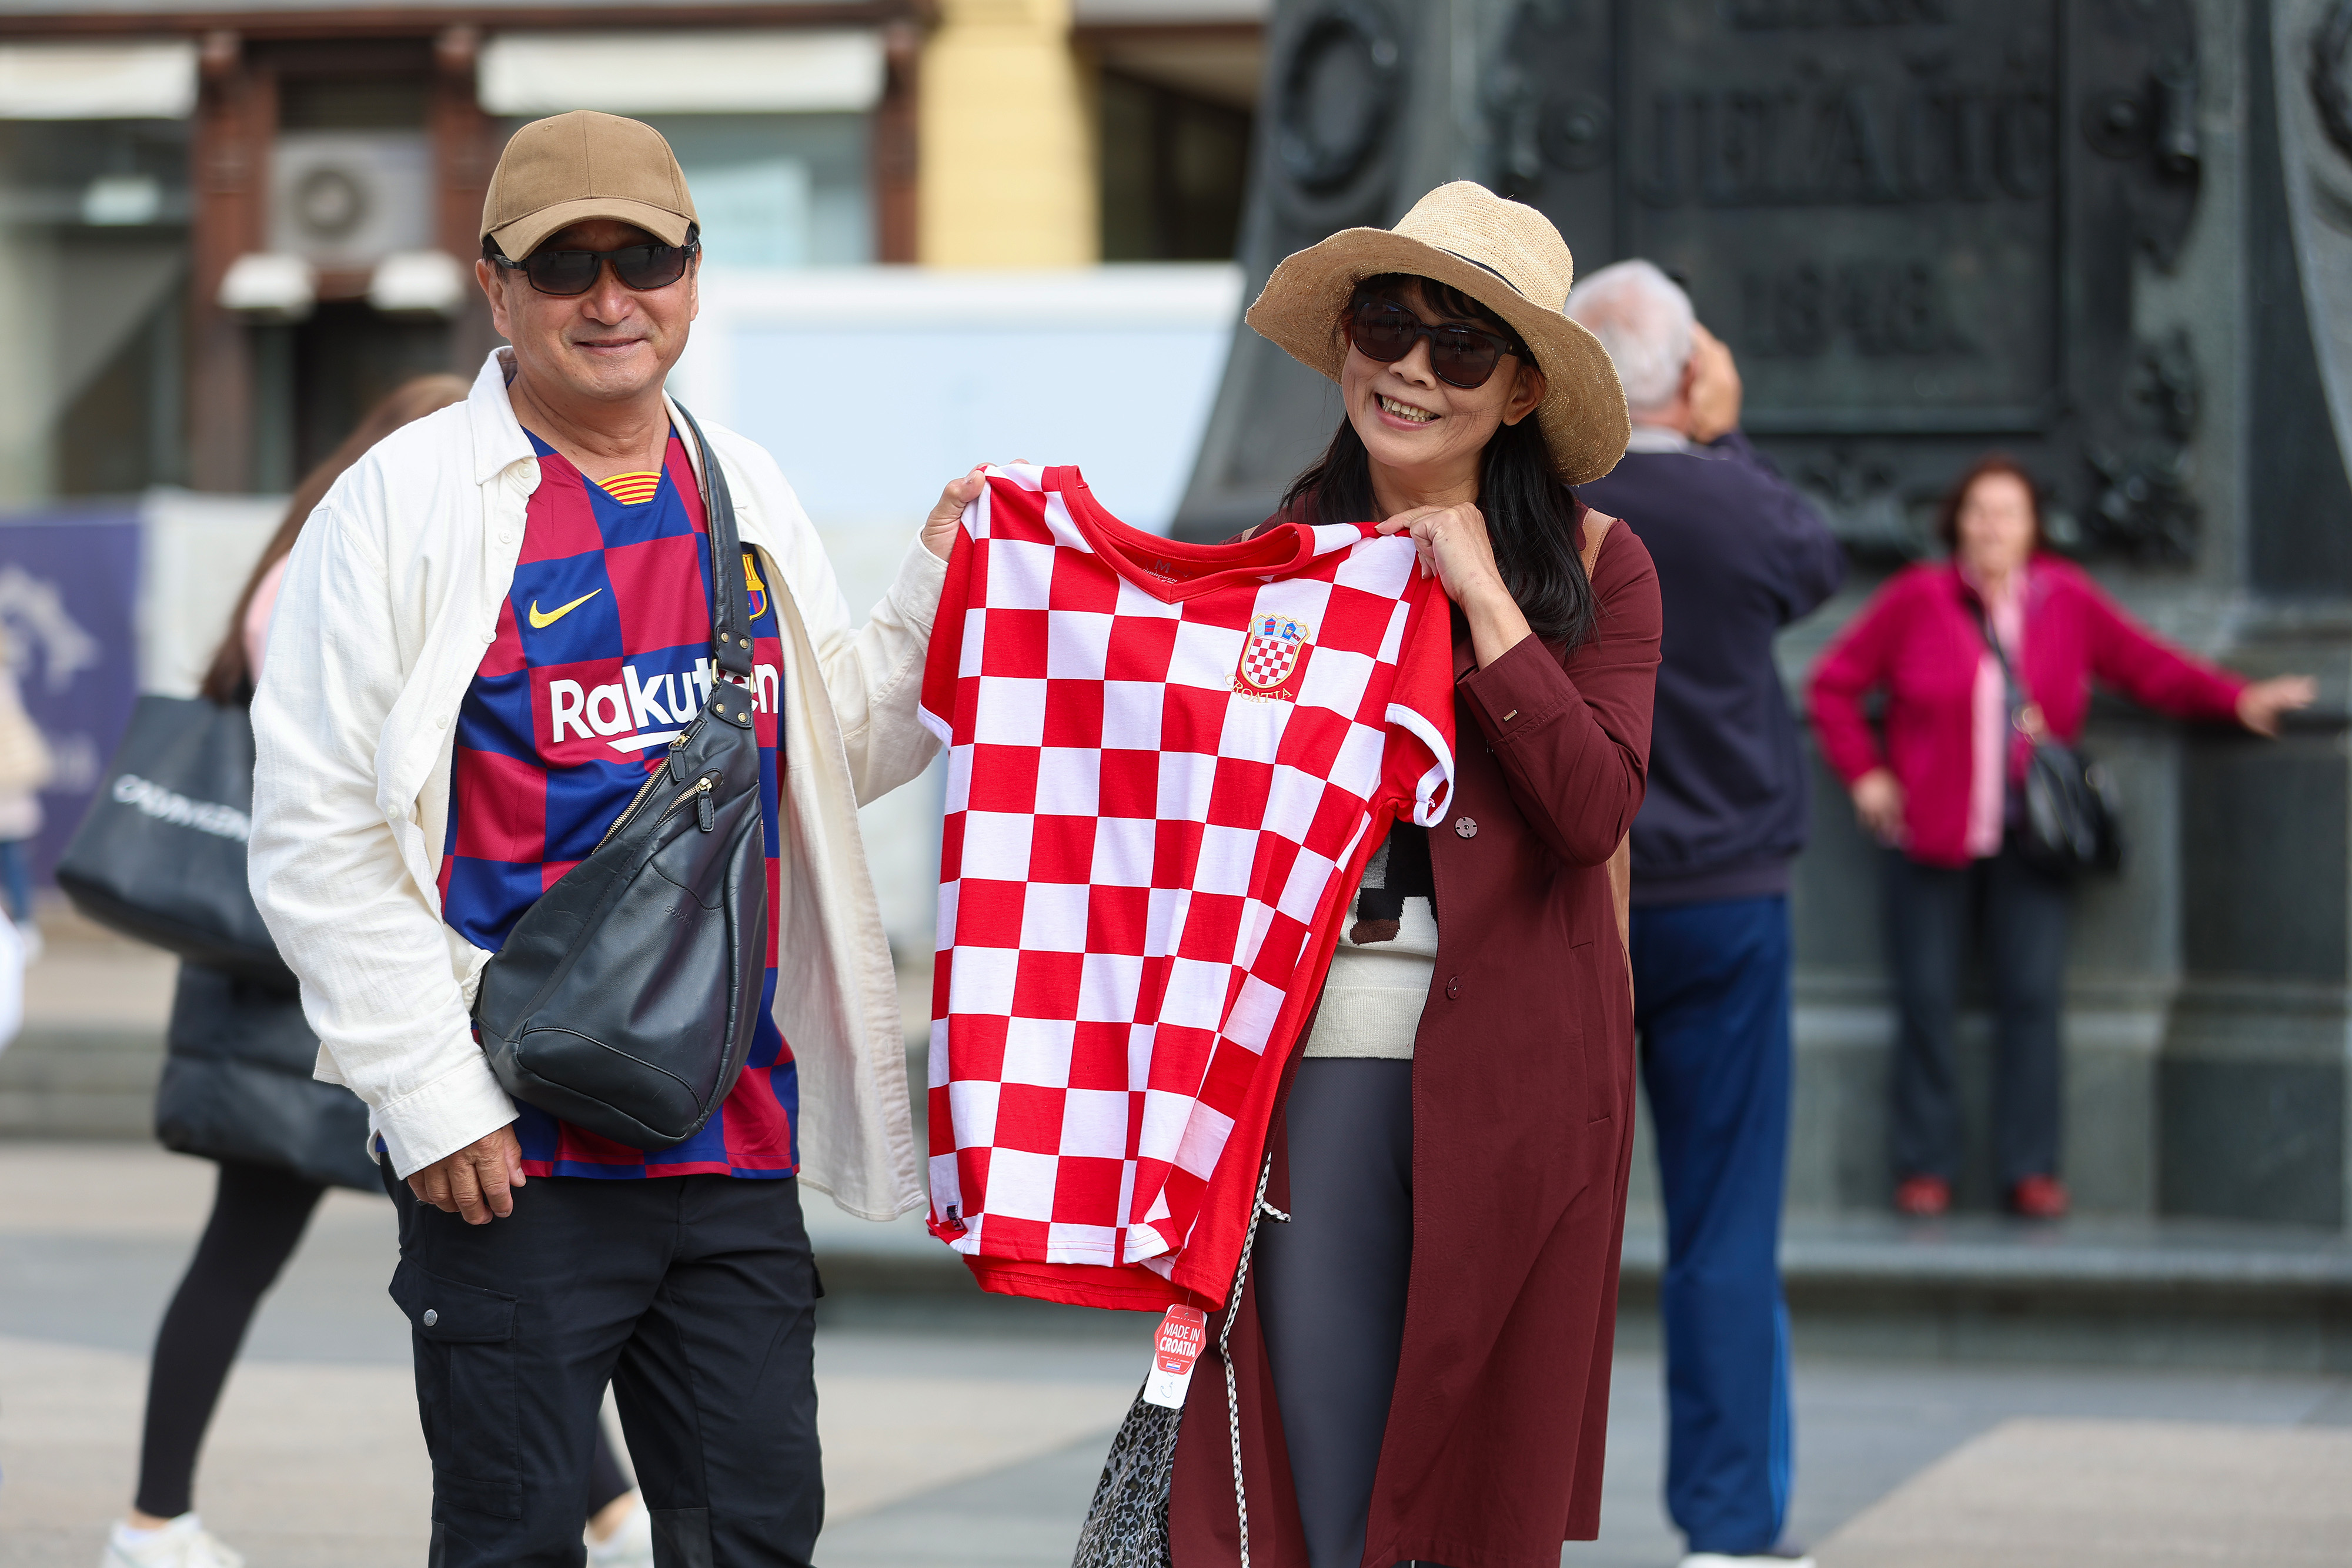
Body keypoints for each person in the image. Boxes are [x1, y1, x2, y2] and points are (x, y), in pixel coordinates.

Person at [246, 112, 961, 1567]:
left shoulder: (740, 490)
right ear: (494, 289)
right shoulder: (404, 506)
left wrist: (951, 576)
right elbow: (315, 824)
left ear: (694, 275)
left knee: (753, 1532)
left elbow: (828, 754)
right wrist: (429, 1097)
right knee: (515, 1542)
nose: (608, 296)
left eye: (642, 256)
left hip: (730, 1141)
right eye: (563, 265)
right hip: (516, 1156)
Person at [1164, 182, 1661, 1568]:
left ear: (1515, 396)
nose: (1411, 372)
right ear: (1344, 345)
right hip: (1311, 1061)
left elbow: (1592, 807)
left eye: (1461, 350)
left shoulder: (1605, 567)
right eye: (1389, 326)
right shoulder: (1275, 557)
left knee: (1482, 1495)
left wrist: (1485, 603)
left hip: (1523, 1079)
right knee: (1322, 1485)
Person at [101, 376, 657, 1568]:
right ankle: (152, 1519)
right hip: (317, 983)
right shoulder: (353, 554)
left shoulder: (295, 552)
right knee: (459, 1235)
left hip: (288, 980)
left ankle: (606, 1510)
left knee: (464, 1243)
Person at [1808, 454, 2316, 1219]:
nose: (1992, 527)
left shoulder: (2065, 600)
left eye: (2008, 513)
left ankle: (2031, 1169)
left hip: (2034, 839)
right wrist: (1867, 774)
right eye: (1979, 511)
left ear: (2033, 526)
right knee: (1925, 1001)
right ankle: (1925, 1168)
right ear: (1957, 523)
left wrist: (2237, 698)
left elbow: (2147, 665)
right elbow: (1832, 683)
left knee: (2033, 1001)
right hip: (1931, 834)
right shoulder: (1917, 598)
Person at [1570, 259, 1843, 1568]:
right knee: (1724, 1224)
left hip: (1577, 902)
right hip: (1727, 904)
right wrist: (1724, 428)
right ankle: (1728, 1529)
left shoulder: (1546, 510)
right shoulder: (1740, 510)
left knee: (1543, 1223)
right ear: (1689, 372)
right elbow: (1815, 555)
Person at [0, 623, 51, 960]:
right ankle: (23, 927)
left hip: (7, 786)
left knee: (13, 859)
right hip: (10, 788)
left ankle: (23, 927)